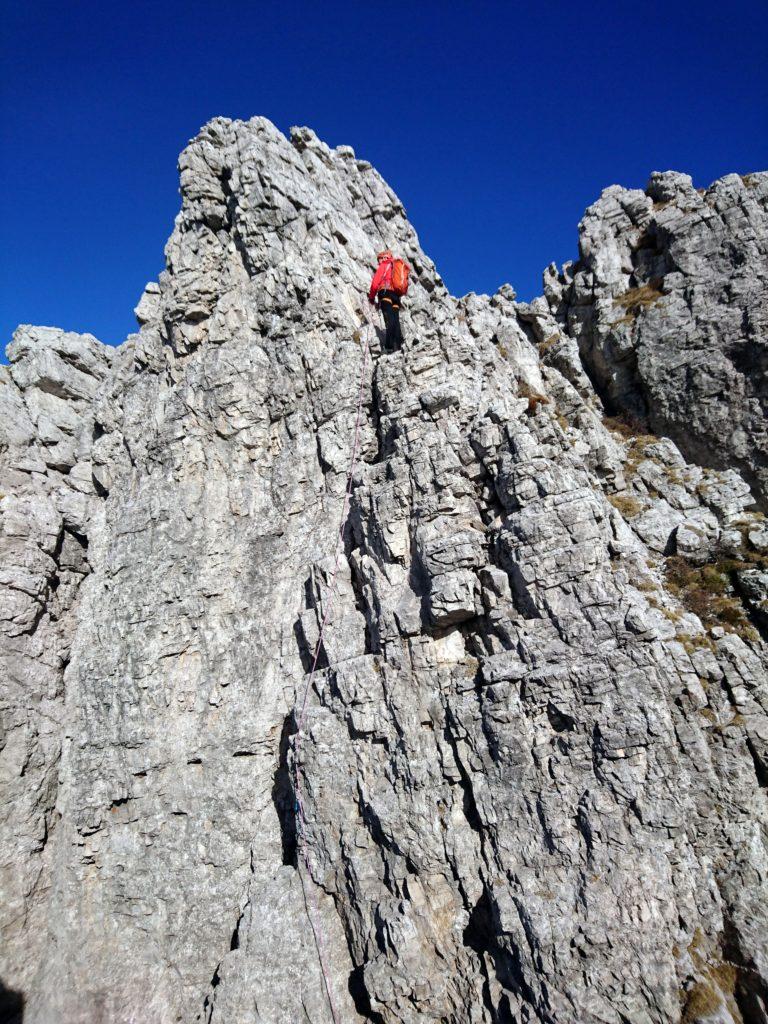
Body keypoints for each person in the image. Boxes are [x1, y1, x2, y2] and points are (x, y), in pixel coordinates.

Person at [368, 250, 405, 352]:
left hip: (386, 293)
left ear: (384, 258)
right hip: (396, 297)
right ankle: (398, 346)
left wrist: (371, 298)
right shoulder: (396, 266)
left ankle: (389, 346)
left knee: (389, 319)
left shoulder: (384, 265)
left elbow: (375, 284)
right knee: (395, 320)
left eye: (379, 259)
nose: (378, 262)